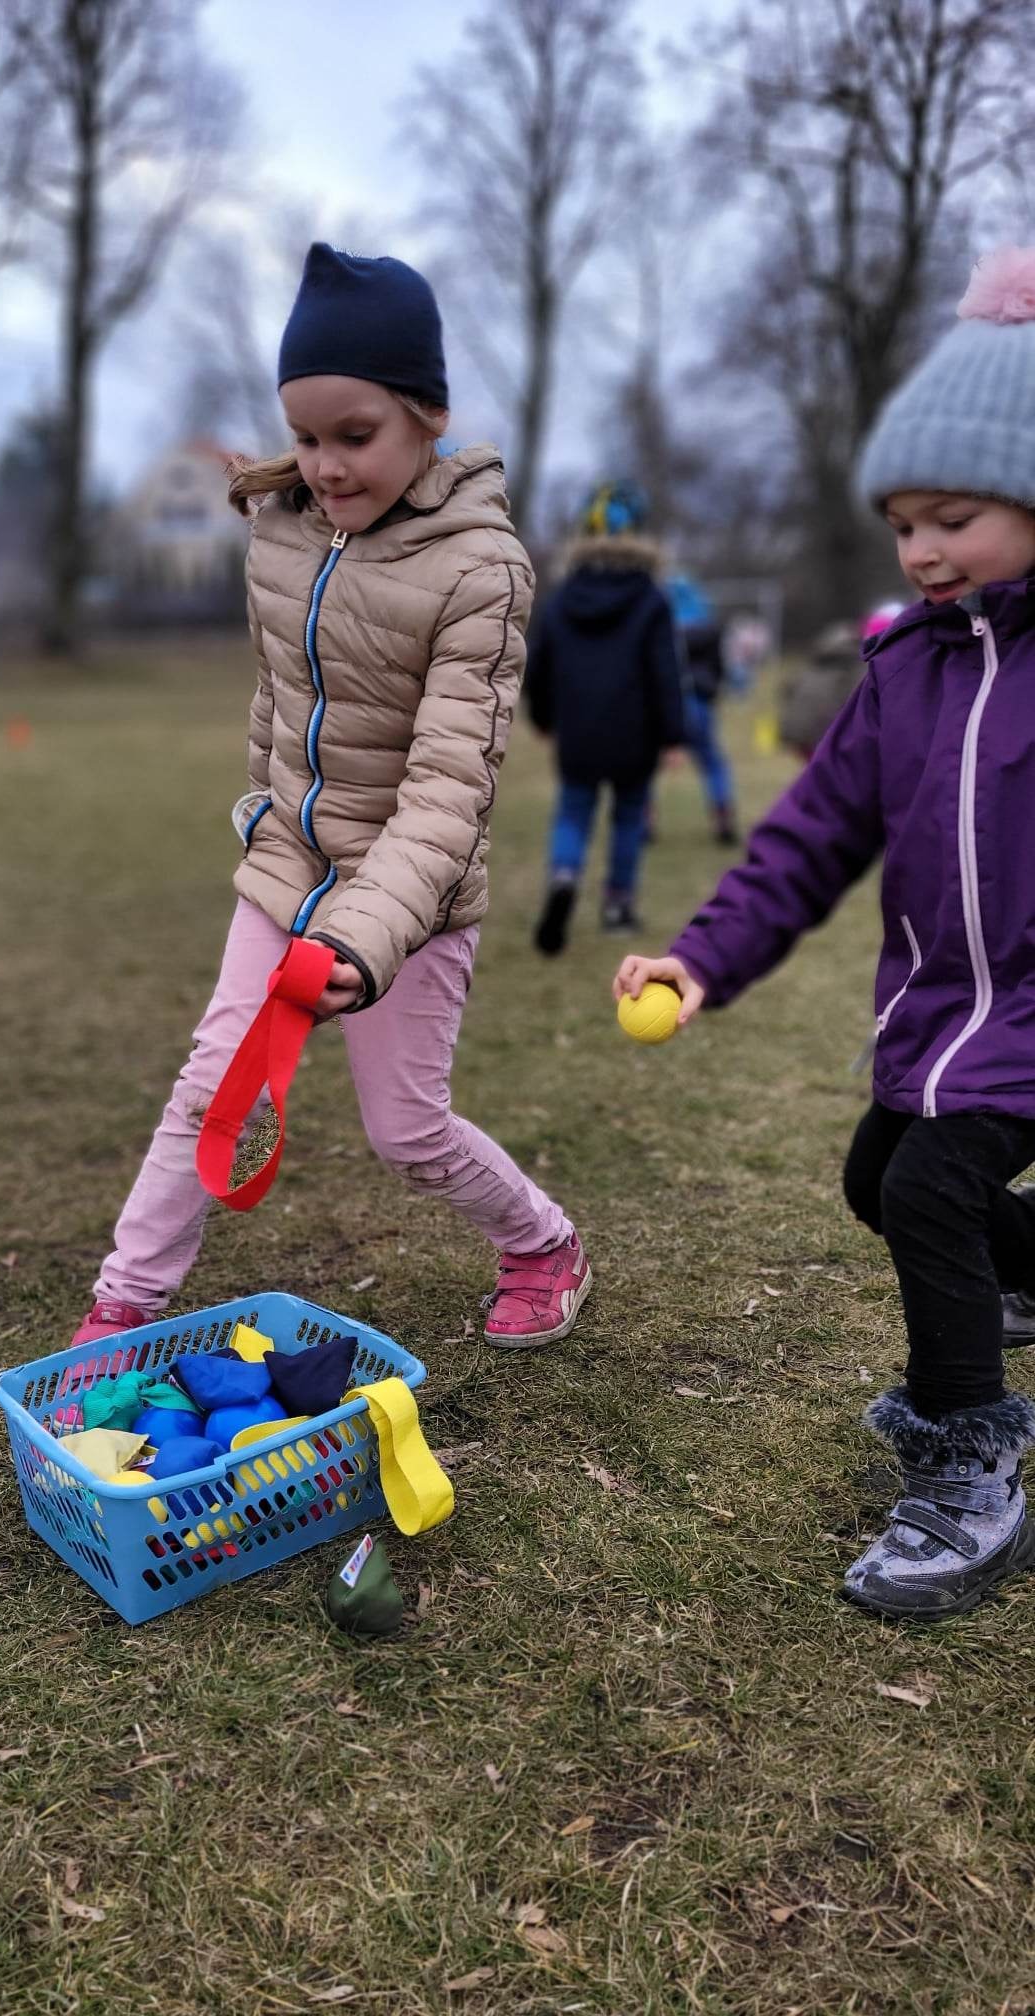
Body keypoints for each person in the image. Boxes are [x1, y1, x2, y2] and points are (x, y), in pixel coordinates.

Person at [612, 246, 1035, 1620]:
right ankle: (998, 1309)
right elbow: (802, 844)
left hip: (1028, 1016)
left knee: (930, 1194)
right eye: (905, 521)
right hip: (941, 1013)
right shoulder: (900, 675)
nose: (920, 550)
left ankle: (973, 1452)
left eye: (955, 518)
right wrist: (700, 957)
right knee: (880, 1182)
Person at [71, 244, 590, 1352]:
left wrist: (363, 933)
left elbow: (452, 790)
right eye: (305, 438)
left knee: (406, 1131)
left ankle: (543, 1243)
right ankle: (123, 1307)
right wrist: (265, 814)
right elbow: (280, 695)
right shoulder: (282, 530)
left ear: (428, 417)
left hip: (409, 898)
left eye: (355, 437)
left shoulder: (480, 571)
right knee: (214, 1082)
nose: (326, 466)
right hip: (288, 867)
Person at [527, 481, 686, 952]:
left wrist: (542, 716)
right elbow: (665, 670)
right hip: (634, 732)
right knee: (629, 817)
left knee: (574, 810)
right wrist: (673, 734)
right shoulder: (651, 598)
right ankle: (618, 905)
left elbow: (540, 663)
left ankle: (564, 876)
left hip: (577, 728)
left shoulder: (562, 598)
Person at [779, 604, 904, 763]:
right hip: (821, 732)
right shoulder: (863, 666)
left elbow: (789, 687)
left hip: (797, 729)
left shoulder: (824, 656)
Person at [667, 574, 738, 844]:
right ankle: (722, 814)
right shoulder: (710, 629)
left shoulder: (662, 627)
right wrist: (713, 691)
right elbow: (720, 668)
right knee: (712, 762)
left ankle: (643, 821)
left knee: (646, 764)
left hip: (668, 702)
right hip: (699, 702)